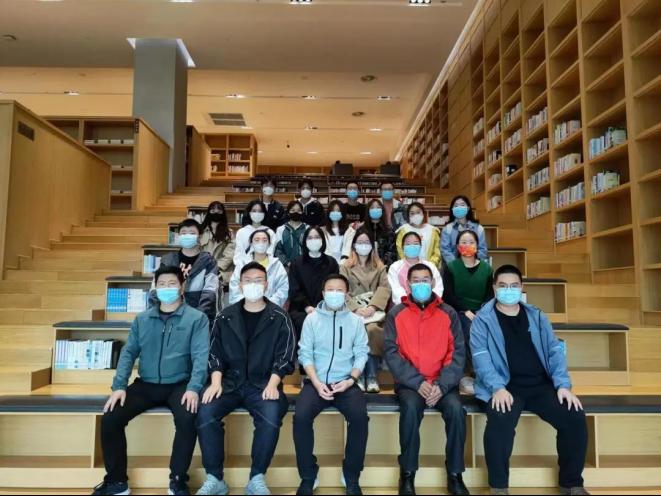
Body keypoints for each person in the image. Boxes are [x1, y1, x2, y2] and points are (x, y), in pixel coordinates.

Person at [471, 265, 589, 496]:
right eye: (503, 286)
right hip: (505, 387)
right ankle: (499, 488)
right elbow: (480, 357)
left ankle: (571, 483)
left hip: (539, 385)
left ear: (522, 287)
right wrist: (497, 388)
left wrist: (563, 385)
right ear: (494, 288)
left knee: (574, 415)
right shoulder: (482, 319)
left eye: (514, 285)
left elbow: (554, 351)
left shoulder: (537, 316)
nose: (509, 290)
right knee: (500, 422)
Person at [93, 266, 209, 496]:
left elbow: (201, 356)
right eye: (162, 284)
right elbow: (128, 353)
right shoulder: (142, 319)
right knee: (111, 418)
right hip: (146, 384)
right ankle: (116, 482)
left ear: (182, 287)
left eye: (172, 283)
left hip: (180, 384)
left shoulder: (197, 319)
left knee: (188, 418)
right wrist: (119, 387)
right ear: (155, 287)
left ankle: (177, 480)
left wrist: (194, 388)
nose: (167, 288)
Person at [196, 262, 296, 496]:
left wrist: (274, 383)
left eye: (258, 280)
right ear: (240, 285)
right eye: (248, 280)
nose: (253, 284)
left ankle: (257, 477)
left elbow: (286, 355)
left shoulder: (279, 317)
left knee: (271, 414)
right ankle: (215, 478)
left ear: (267, 284)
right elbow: (215, 352)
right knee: (206, 410)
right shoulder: (225, 316)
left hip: (263, 384)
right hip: (229, 383)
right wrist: (216, 382)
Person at [384, 263, 469, 496]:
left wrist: (442, 385)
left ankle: (455, 474)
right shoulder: (396, 314)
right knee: (410, 409)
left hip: (443, 383)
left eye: (425, 280)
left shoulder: (449, 313)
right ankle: (407, 473)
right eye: (416, 280)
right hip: (411, 384)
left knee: (456, 411)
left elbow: (457, 352)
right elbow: (392, 352)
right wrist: (417, 382)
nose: (421, 284)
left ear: (432, 282)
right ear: (408, 284)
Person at [294, 274, 370, 496]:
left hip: (346, 382)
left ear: (347, 295)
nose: (334, 294)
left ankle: (351, 475)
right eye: (330, 289)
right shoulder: (311, 320)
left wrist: (351, 379)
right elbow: (305, 353)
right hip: (316, 382)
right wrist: (316, 382)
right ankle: (308, 475)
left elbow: (361, 353)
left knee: (360, 418)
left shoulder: (356, 321)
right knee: (300, 417)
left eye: (339, 290)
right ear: (323, 293)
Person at [442, 230, 494, 395]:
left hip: (481, 311)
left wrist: (480, 311)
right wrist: (466, 310)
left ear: (477, 245)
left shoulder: (486, 269)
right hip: (457, 310)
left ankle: (487, 372)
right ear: (457, 246)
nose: (467, 245)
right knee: (466, 327)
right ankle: (467, 374)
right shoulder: (451, 267)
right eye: (463, 242)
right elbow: (448, 295)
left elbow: (489, 295)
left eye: (471, 242)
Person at [340, 229, 391, 393]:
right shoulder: (345, 266)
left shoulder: (379, 266)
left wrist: (372, 307)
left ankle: (372, 375)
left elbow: (385, 287)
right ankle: (359, 375)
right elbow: (341, 289)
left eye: (366, 242)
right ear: (354, 245)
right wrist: (355, 308)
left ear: (372, 246)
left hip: (373, 312)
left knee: (373, 330)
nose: (363, 246)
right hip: (352, 312)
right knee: (357, 331)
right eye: (360, 242)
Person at [155, 219, 220, 323]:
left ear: (200, 236)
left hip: (198, 317)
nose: (187, 236)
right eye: (183, 233)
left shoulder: (208, 261)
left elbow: (210, 292)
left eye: (192, 233)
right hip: (168, 315)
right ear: (179, 236)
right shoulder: (168, 260)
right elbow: (155, 288)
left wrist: (197, 317)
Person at [288, 227, 340, 342]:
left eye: (317, 237)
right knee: (302, 322)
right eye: (310, 238)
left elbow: (334, 287)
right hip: (301, 308)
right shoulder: (296, 263)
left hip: (327, 307)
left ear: (322, 240)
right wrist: (307, 307)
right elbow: (294, 289)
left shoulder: (331, 263)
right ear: (305, 241)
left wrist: (322, 308)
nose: (313, 240)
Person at [229, 230, 289, 308]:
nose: (261, 243)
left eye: (264, 240)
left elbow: (283, 288)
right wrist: (246, 305)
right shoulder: (242, 263)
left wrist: (268, 306)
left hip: (270, 309)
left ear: (269, 244)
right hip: (244, 308)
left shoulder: (276, 264)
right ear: (251, 243)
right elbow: (234, 287)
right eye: (257, 240)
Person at [388, 232, 443, 305]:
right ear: (402, 247)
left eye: (416, 243)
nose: (412, 246)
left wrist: (429, 303)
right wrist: (407, 304)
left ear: (420, 246)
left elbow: (437, 287)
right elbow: (396, 289)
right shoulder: (395, 267)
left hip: (429, 305)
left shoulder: (430, 266)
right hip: (404, 306)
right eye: (408, 244)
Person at [441, 196, 488, 265]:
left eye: (462, 205)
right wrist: (457, 265)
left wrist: (471, 262)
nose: (459, 207)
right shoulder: (447, 229)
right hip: (453, 267)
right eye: (456, 206)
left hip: (474, 266)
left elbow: (482, 250)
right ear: (452, 209)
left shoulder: (479, 228)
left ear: (468, 208)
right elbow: (445, 250)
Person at [199, 201, 236, 285]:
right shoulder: (200, 231)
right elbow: (197, 251)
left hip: (221, 273)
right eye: (213, 209)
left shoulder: (229, 233)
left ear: (223, 212)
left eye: (219, 209)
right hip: (202, 270)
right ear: (208, 212)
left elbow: (230, 254)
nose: (216, 211)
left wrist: (216, 268)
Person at [395, 202, 441, 267]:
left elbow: (437, 252)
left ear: (423, 213)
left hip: (429, 268)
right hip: (408, 268)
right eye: (412, 213)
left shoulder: (433, 230)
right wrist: (408, 265)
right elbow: (400, 251)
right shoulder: (403, 230)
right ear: (408, 216)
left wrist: (429, 265)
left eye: (418, 212)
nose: (416, 215)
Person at [363, 198, 397, 267]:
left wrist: (382, 263)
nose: (375, 209)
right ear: (368, 211)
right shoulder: (362, 230)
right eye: (372, 207)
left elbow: (392, 252)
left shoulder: (389, 231)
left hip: (383, 267)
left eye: (378, 207)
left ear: (382, 211)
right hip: (365, 266)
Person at [274, 200, 308, 269]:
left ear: (302, 212)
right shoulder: (281, 229)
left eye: (299, 210)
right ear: (288, 212)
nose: (296, 212)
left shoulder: (308, 228)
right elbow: (277, 250)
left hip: (305, 266)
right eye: (293, 210)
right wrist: (287, 263)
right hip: (286, 268)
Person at [322, 200, 356, 264]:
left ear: (342, 213)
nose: (335, 213)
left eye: (338, 211)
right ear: (329, 213)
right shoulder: (323, 230)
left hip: (344, 264)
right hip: (327, 264)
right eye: (333, 211)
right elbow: (325, 251)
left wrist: (341, 265)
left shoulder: (350, 231)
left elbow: (347, 250)